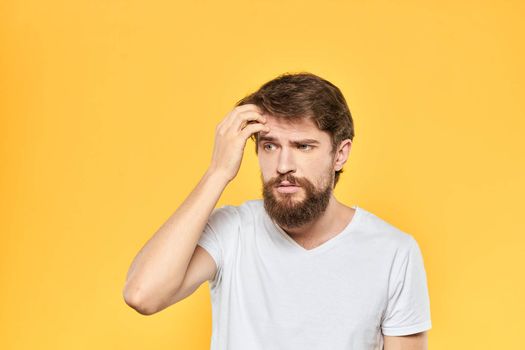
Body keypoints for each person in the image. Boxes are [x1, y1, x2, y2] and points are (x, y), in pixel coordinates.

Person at [122, 72, 432, 350]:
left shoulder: (394, 252)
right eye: (270, 146)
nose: (283, 166)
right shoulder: (233, 231)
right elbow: (142, 294)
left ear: (340, 154)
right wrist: (217, 172)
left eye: (303, 146)